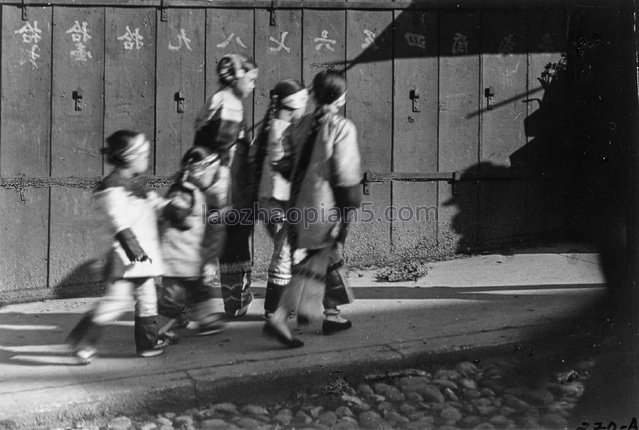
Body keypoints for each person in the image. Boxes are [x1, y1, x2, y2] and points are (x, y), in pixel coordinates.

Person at [265, 70, 362, 348]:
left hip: (298, 206)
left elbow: (282, 162)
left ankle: (325, 315)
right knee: (316, 265)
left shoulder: (300, 124)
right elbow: (346, 175)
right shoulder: (342, 127)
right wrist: (348, 210)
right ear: (339, 97)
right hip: (325, 207)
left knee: (320, 262)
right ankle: (283, 319)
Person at [66, 130, 169, 363]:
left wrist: (176, 209)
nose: (147, 158)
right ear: (129, 157)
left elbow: (157, 204)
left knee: (148, 298)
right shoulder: (112, 189)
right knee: (115, 302)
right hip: (124, 259)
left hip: (142, 260)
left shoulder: (136, 185)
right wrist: (137, 253)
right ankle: (84, 343)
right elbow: (119, 223)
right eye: (143, 154)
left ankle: (147, 343)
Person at [193, 53, 259, 318]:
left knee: (219, 247)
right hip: (228, 189)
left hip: (212, 188)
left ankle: (229, 303)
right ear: (237, 77)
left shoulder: (218, 99)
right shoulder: (230, 104)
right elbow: (224, 152)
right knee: (232, 244)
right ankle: (232, 302)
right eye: (251, 79)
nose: (253, 85)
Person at [156, 146, 228, 342]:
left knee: (199, 290)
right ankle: (156, 330)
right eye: (211, 173)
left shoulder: (198, 191)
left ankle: (206, 320)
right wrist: (180, 216)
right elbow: (172, 210)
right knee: (173, 298)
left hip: (191, 255)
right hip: (177, 257)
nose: (213, 178)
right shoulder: (184, 190)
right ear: (198, 172)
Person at [252, 79, 309, 320]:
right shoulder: (285, 132)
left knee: (287, 250)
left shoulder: (267, 128)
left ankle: (287, 303)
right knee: (285, 253)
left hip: (267, 202)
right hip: (282, 203)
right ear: (294, 105)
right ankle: (274, 309)